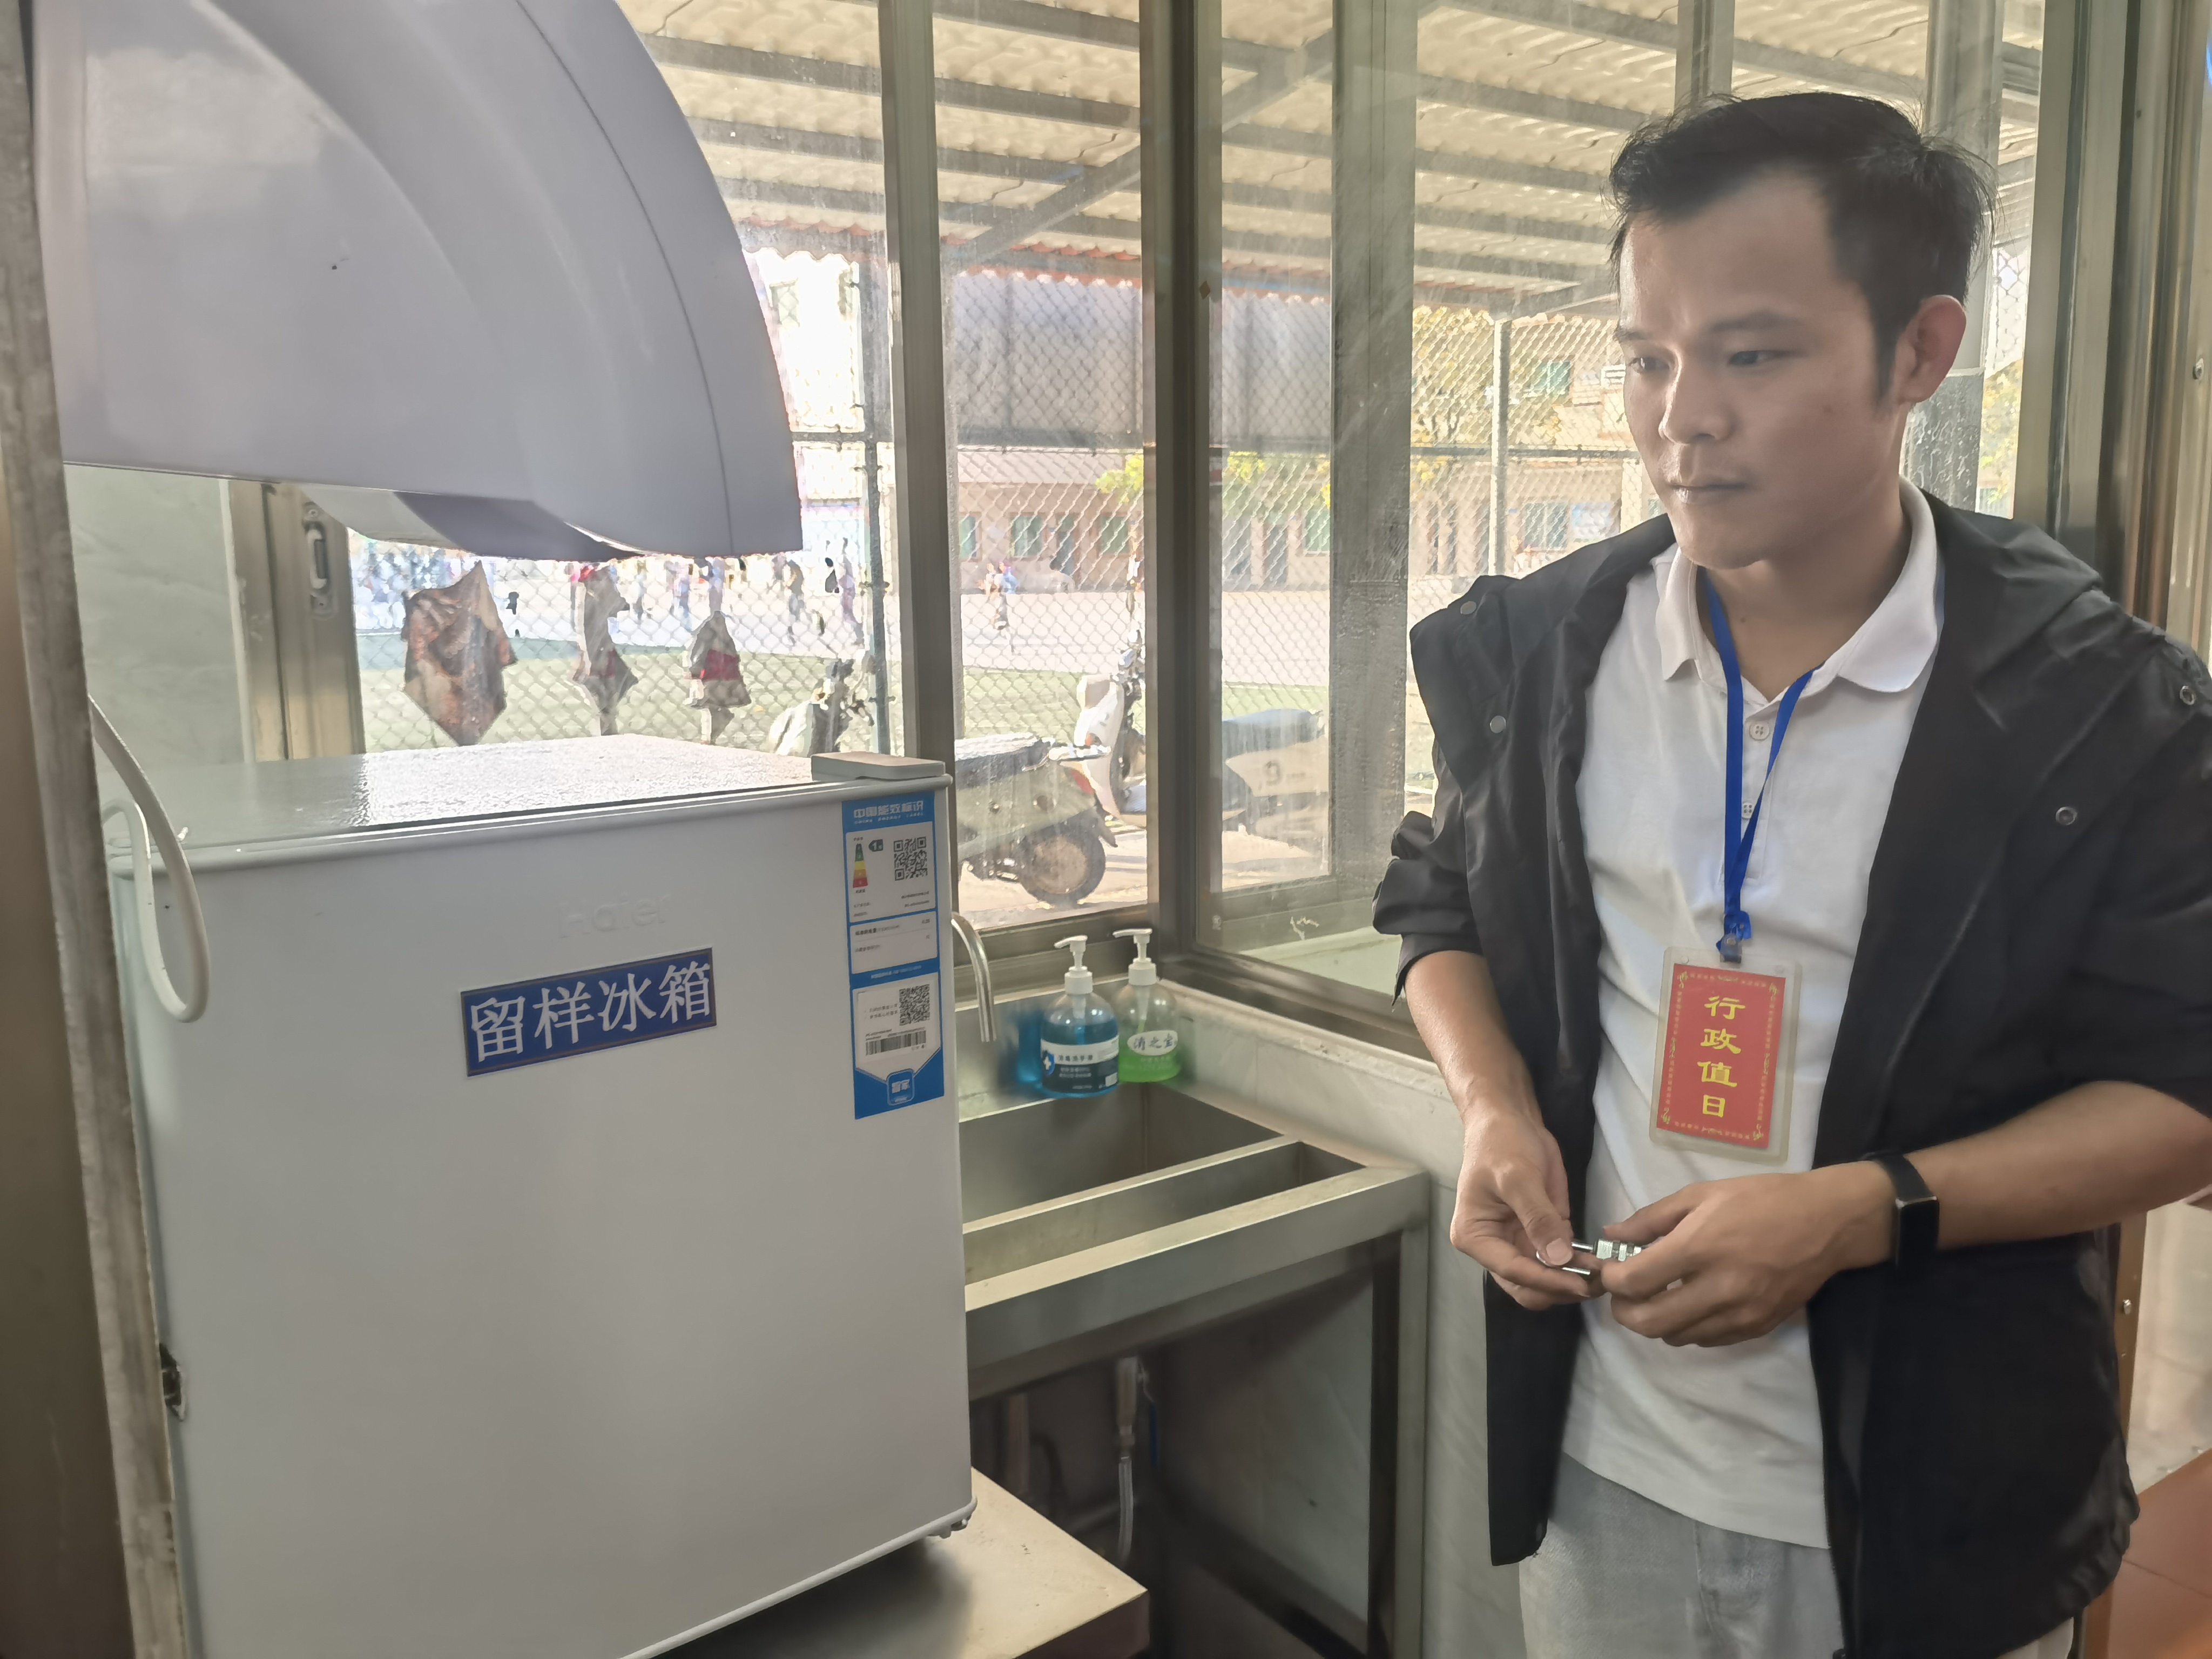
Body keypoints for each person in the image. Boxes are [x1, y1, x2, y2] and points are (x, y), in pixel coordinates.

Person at [1373, 93, 2212, 1659]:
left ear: (1920, 352)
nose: (1682, 419)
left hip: (1937, 1500)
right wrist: (1491, 1108)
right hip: (1606, 1464)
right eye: (1646, 358)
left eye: (1751, 356)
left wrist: (1857, 1213)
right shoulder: (1543, 652)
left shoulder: (2094, 706)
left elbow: (2186, 1089)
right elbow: (1439, 904)